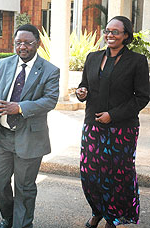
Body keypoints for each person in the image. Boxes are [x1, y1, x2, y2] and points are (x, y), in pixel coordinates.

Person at [0, 24, 60, 228]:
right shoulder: (4, 64)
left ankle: (22, 224)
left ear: (38, 44)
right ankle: (9, 217)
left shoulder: (50, 70)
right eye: (18, 43)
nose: (22, 47)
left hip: (30, 137)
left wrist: (20, 108)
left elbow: (50, 100)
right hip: (2, 136)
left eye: (27, 43)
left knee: (25, 187)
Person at [76, 16, 149, 228]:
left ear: (126, 35)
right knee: (90, 175)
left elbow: (142, 97)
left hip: (122, 128)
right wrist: (81, 93)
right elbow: (84, 86)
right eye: (107, 30)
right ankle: (97, 211)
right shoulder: (93, 57)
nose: (110, 35)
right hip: (93, 125)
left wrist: (113, 115)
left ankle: (113, 217)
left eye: (116, 31)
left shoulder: (137, 61)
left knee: (118, 175)